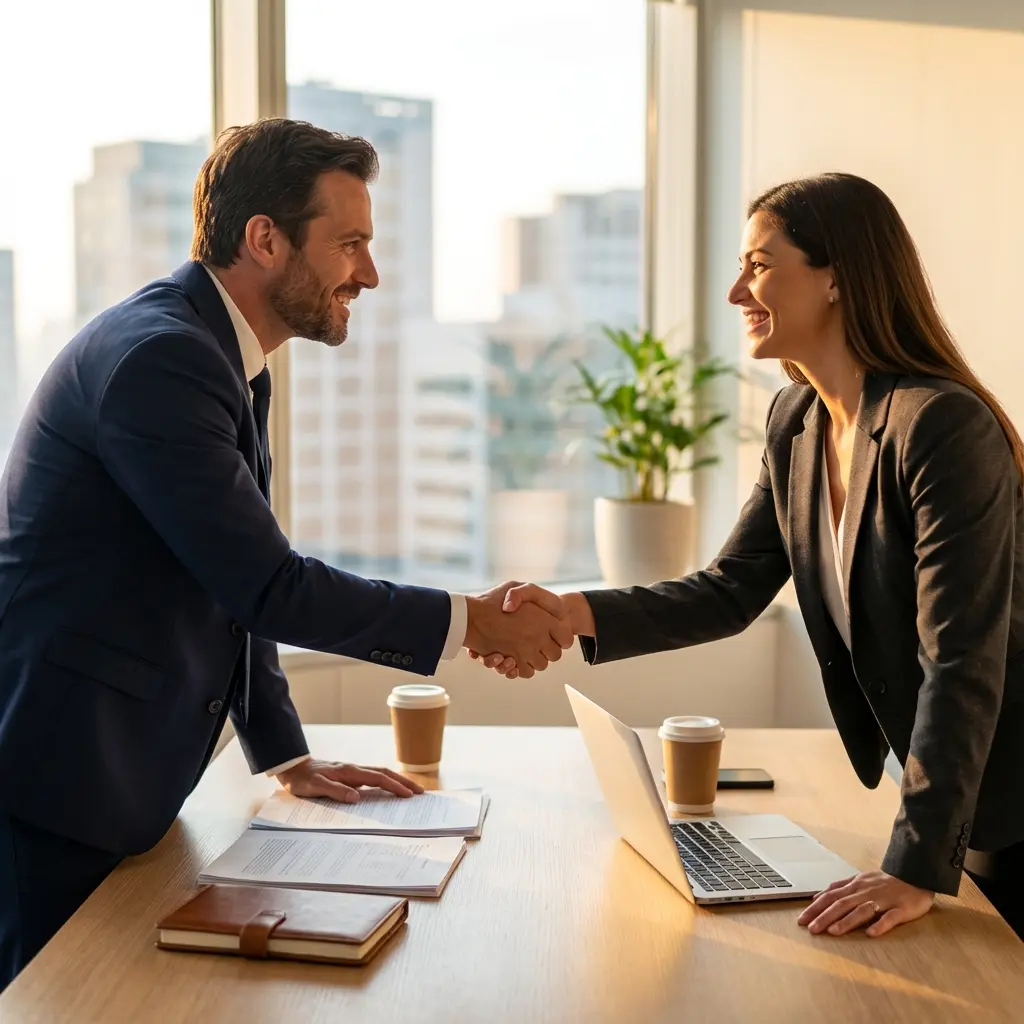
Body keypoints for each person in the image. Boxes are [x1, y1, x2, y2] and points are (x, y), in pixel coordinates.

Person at [0, 118, 572, 989]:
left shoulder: (217, 353)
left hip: (112, 781)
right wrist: (471, 622)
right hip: (58, 784)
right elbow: (266, 584)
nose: (369, 274)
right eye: (349, 244)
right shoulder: (164, 360)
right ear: (263, 239)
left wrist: (282, 753)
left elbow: (228, 577)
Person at [476, 172, 1024, 940]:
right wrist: (576, 612)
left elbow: (961, 659)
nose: (738, 291)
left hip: (1010, 804)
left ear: (837, 277)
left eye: (760, 265)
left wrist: (911, 865)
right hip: (959, 804)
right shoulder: (797, 419)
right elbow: (731, 590)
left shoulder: (939, 427)